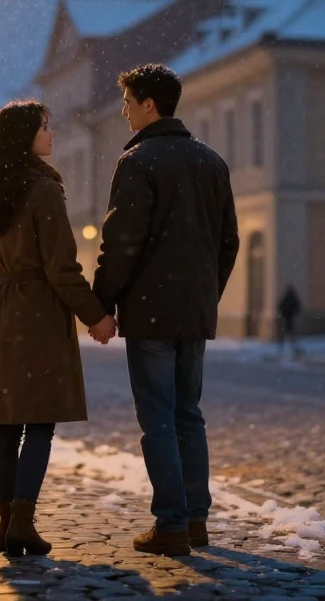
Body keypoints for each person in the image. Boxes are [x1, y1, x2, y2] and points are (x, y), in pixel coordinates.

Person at [93, 64, 239, 557]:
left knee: (157, 418)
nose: (124, 111)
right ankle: (196, 520)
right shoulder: (211, 162)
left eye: (128, 102)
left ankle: (171, 523)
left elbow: (121, 241)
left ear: (148, 105)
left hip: (151, 311)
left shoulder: (138, 161)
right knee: (188, 416)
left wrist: (103, 301)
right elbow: (228, 243)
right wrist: (204, 293)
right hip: (193, 310)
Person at [0, 100, 116, 557]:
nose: (52, 135)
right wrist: (97, 316)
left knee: (7, 427)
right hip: (38, 317)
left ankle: (8, 522)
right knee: (40, 424)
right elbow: (62, 268)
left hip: (1, 314)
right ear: (26, 135)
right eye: (46, 127)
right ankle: (23, 523)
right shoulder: (42, 190)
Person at [277, 284, 303, 357]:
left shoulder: (286, 298)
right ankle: (290, 347)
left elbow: (280, 306)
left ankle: (283, 347)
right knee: (291, 333)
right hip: (290, 318)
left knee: (286, 333)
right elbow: (298, 307)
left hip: (287, 318)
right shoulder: (291, 298)